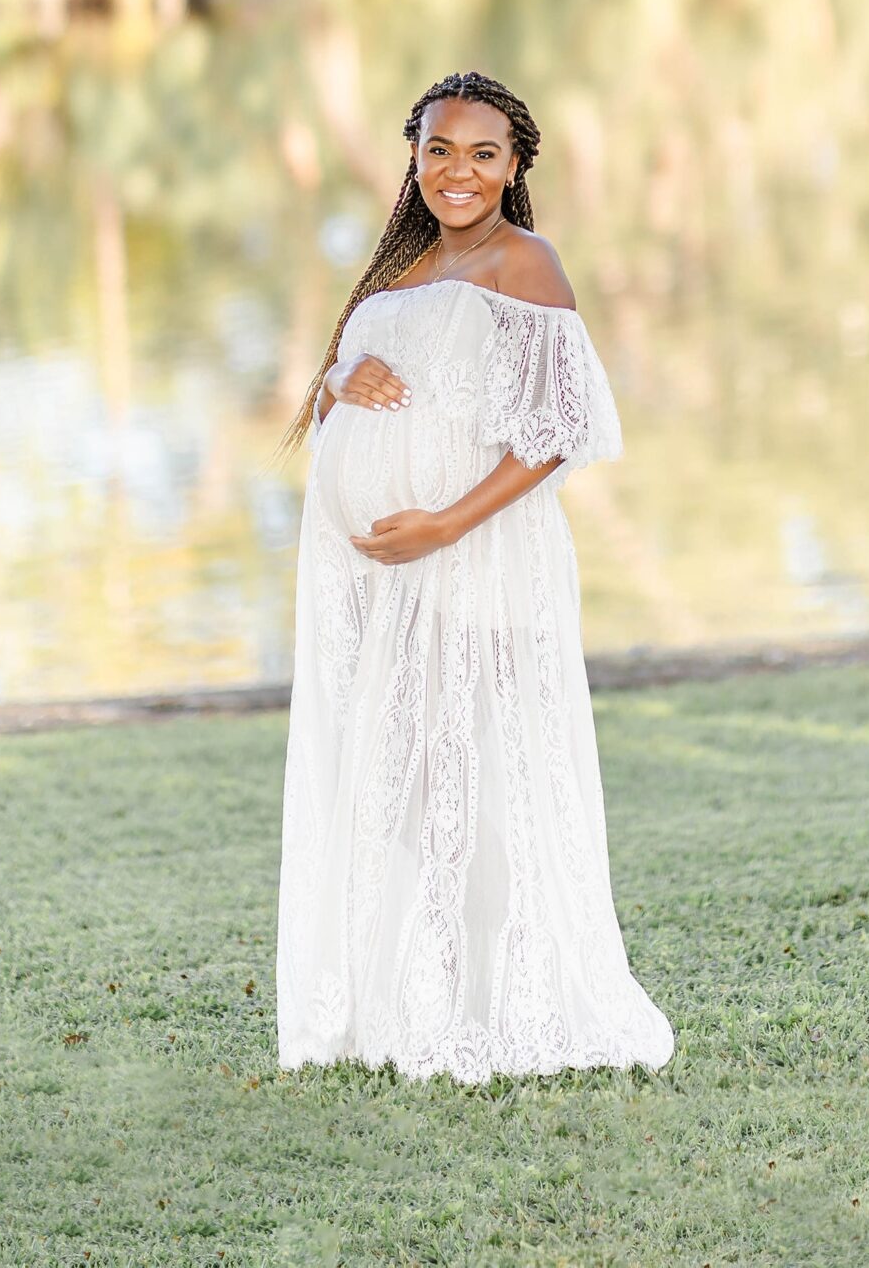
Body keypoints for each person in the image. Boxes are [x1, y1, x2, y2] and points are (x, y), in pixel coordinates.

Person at [275, 69, 674, 1084]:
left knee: (482, 783)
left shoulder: (523, 263)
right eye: (440, 150)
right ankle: (417, 996)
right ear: (413, 158)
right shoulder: (395, 274)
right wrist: (336, 384)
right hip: (387, 588)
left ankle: (498, 1001)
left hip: (476, 564)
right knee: (403, 791)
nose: (459, 170)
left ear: (513, 166)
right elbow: (344, 416)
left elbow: (559, 430)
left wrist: (445, 523)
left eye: (482, 153)